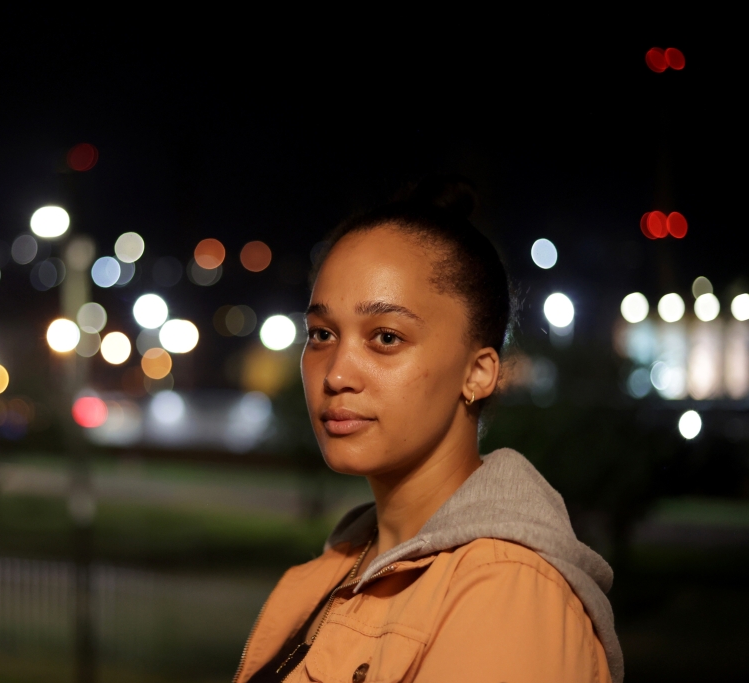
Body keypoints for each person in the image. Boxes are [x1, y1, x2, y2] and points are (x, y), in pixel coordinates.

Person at [235, 176, 621, 683]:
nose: (336, 375)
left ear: (477, 373)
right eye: (323, 334)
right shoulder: (323, 578)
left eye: (386, 337)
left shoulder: (508, 594)